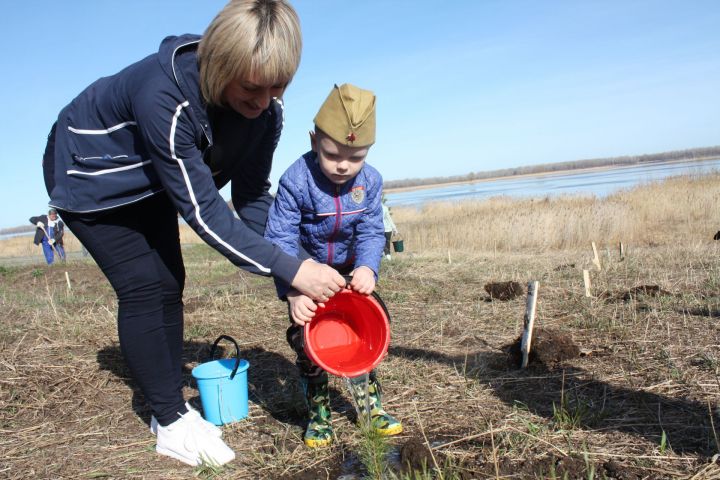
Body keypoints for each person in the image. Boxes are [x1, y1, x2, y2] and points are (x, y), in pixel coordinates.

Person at [41, 0, 346, 467]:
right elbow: (204, 213)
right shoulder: (167, 97)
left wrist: (297, 270)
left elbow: (251, 200)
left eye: (278, 86)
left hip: (152, 181)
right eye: (251, 87)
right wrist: (291, 269)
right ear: (222, 63)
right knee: (144, 285)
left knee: (170, 283)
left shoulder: (266, 116)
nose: (264, 101)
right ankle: (169, 419)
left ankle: (171, 408)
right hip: (89, 174)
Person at [265, 83, 403, 448]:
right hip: (305, 273)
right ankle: (319, 413)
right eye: (332, 154)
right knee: (310, 343)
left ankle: (370, 409)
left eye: (356, 157)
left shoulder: (370, 181)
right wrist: (294, 289)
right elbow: (279, 239)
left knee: (366, 335)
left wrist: (368, 268)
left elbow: (373, 230)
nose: (344, 165)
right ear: (314, 141)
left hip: (349, 274)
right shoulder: (296, 180)